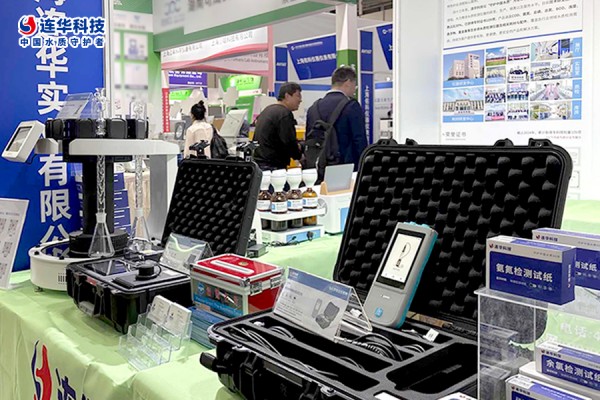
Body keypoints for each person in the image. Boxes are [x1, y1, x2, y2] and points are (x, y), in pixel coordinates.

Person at [306, 66, 368, 170]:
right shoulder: (351, 106)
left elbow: (309, 139)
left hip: (318, 167)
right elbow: (359, 140)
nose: (354, 89)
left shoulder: (313, 108)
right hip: (345, 167)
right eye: (354, 85)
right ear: (348, 83)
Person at [253, 82, 303, 170]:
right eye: (298, 96)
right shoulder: (284, 114)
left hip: (260, 164)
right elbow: (289, 142)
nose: (300, 100)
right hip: (273, 166)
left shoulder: (268, 110)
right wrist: (299, 155)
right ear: (287, 96)